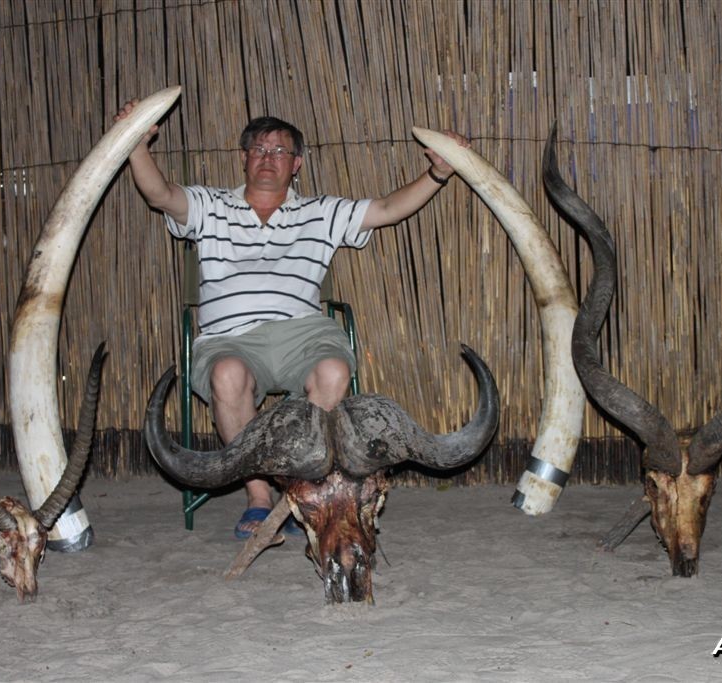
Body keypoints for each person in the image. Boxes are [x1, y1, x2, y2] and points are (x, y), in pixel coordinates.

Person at [116, 100, 469, 538]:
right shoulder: (209, 205)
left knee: (334, 368)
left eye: (280, 151)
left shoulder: (321, 212)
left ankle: (305, 490)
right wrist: (135, 144)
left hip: (302, 334)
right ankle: (260, 499)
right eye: (259, 149)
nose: (268, 158)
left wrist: (438, 173)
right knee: (227, 375)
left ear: (297, 163)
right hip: (230, 338)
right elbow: (159, 194)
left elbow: (385, 209)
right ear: (244, 158)